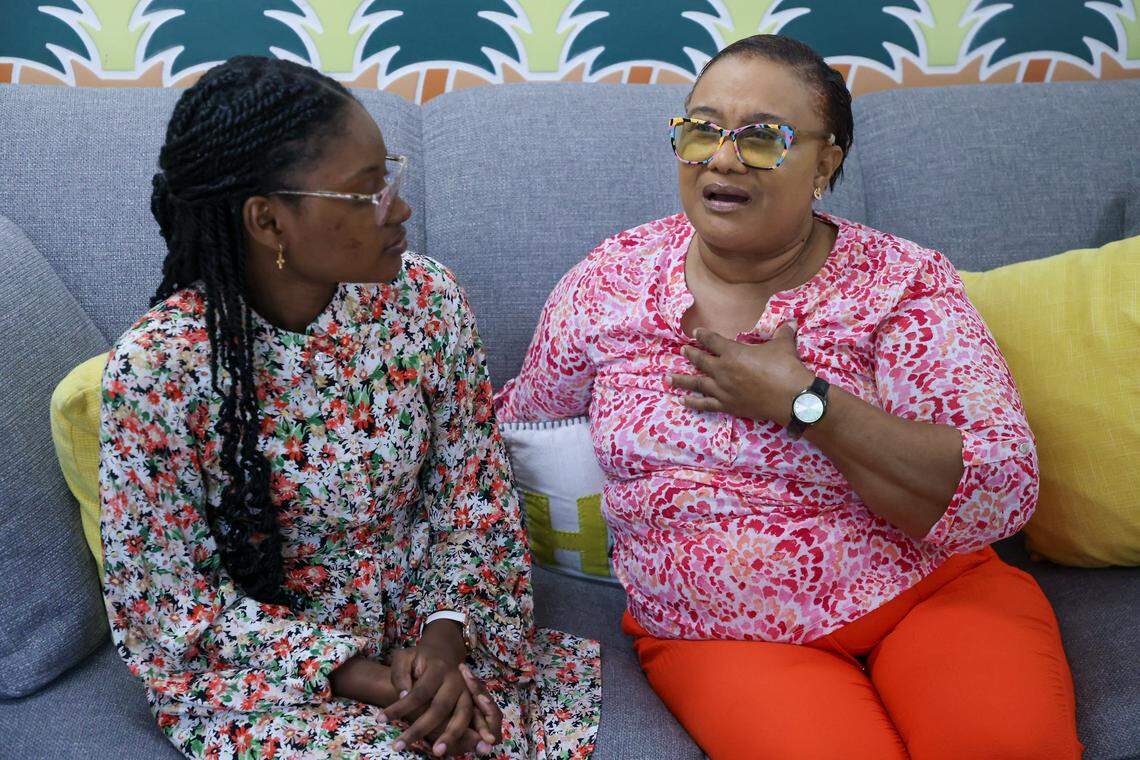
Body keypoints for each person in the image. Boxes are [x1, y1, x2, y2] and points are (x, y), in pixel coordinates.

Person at [495, 35, 1080, 760]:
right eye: (703, 130)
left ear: (825, 164)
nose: (722, 159)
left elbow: (1001, 487)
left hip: (929, 595)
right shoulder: (607, 283)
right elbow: (522, 420)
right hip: (723, 634)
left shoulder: (901, 282)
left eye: (764, 139)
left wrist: (807, 403)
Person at [99, 56, 599, 759]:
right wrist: (368, 677)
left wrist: (443, 640)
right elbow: (169, 606)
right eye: (366, 193)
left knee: (473, 733)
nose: (399, 208)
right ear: (268, 221)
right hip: (275, 675)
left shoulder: (426, 300)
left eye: (388, 175)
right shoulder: (159, 370)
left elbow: (476, 498)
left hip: (438, 639)